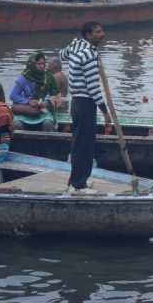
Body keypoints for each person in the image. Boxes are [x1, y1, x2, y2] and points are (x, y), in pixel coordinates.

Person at [59, 21, 111, 195]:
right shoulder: (88, 54)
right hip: (85, 103)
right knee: (84, 145)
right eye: (98, 31)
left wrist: (74, 43)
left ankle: (77, 179)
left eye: (102, 30)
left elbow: (61, 55)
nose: (102, 34)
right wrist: (105, 110)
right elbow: (93, 87)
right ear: (88, 35)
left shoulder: (76, 47)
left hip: (77, 103)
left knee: (79, 143)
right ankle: (79, 185)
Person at [10, 52, 61, 132]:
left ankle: (49, 144)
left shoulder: (48, 76)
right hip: (25, 112)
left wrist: (46, 103)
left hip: (43, 112)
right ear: (32, 64)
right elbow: (13, 96)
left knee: (48, 123)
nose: (41, 66)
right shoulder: (23, 77)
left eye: (43, 64)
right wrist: (28, 102)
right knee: (17, 125)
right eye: (38, 63)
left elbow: (57, 97)